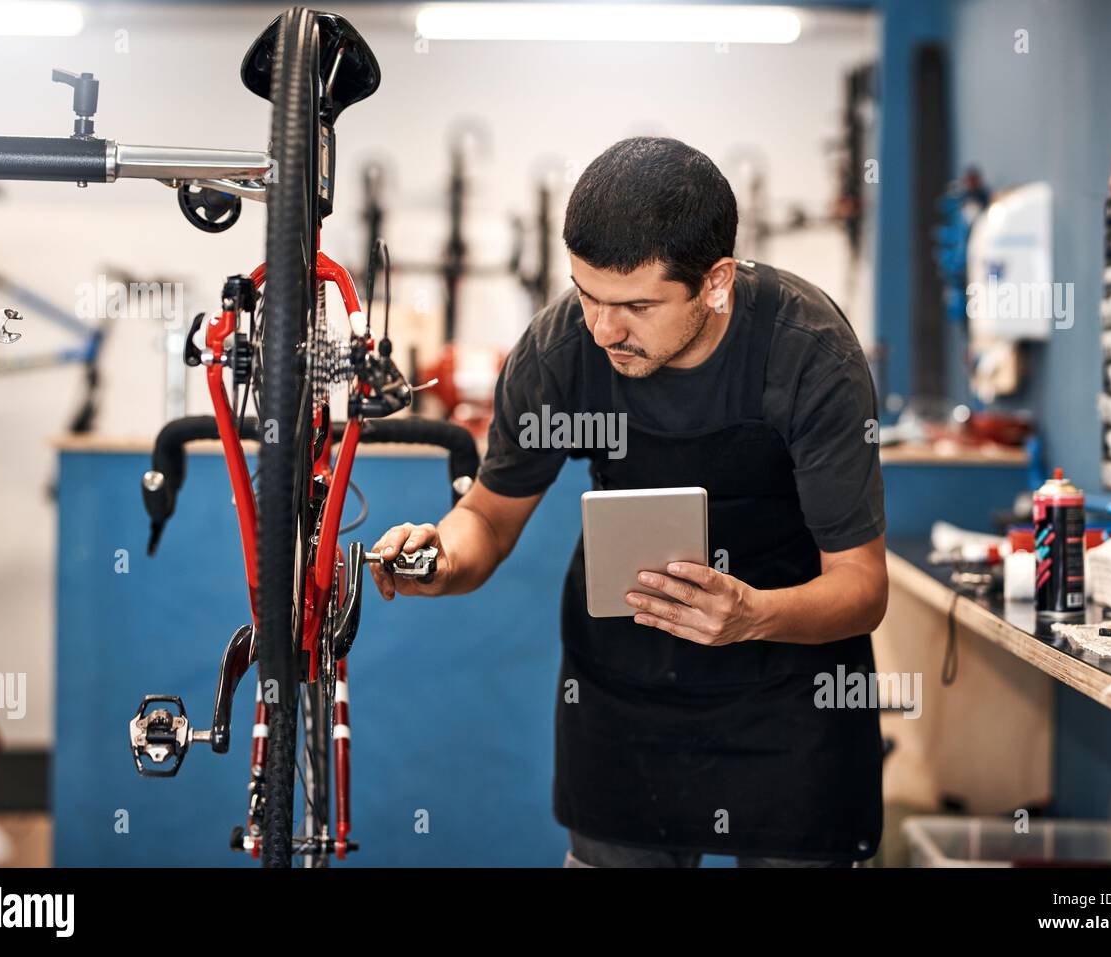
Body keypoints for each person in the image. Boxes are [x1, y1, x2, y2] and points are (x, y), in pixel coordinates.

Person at [369, 136, 888, 867]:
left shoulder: (809, 355)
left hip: (791, 695)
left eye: (636, 305)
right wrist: (438, 557)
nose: (604, 328)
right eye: (587, 295)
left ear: (715, 282)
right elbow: (487, 517)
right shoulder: (560, 350)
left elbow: (862, 590)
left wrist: (753, 614)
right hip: (624, 695)